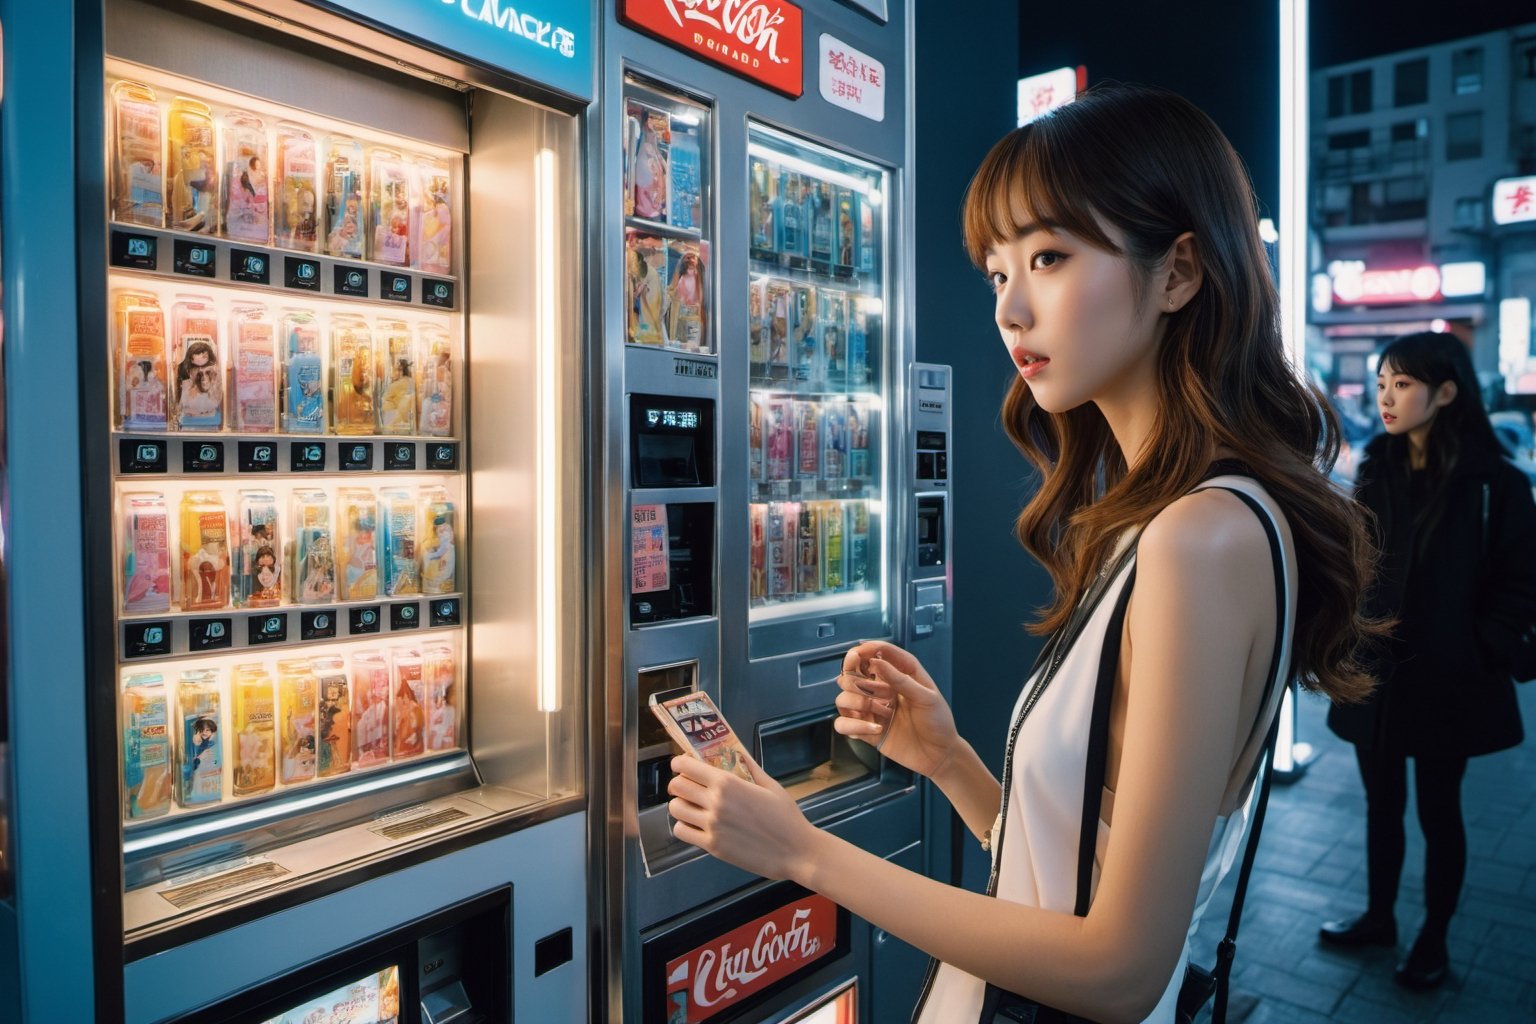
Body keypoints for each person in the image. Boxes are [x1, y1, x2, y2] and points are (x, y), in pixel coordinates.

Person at [665, 83, 1380, 1023]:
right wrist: (953, 759)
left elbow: (1119, 967)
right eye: (997, 272)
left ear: (1178, 273)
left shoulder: (1200, 537)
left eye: (1048, 255)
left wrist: (805, 854)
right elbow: (1075, 874)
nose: (1011, 309)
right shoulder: (1169, 522)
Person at [1320, 331, 1536, 988]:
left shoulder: (1494, 483)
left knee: (1440, 811)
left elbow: (1523, 582)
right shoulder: (1375, 467)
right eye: (1381, 383)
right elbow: (1358, 562)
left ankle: (1434, 938)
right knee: (1379, 803)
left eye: (1402, 385)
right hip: (1376, 673)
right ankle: (1379, 916)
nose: (1385, 397)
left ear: (1445, 393)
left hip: (1450, 678)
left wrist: (1481, 647)